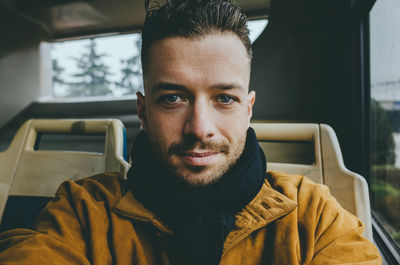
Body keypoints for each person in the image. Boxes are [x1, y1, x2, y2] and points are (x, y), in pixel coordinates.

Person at [0, 0, 381, 264]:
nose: (200, 128)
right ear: (143, 111)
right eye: (172, 98)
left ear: (248, 110)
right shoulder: (83, 212)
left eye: (225, 99)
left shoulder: (313, 217)